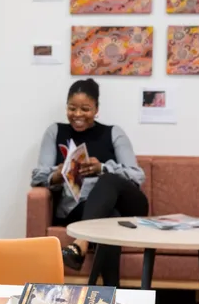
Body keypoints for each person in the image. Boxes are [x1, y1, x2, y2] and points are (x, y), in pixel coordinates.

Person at [31, 78, 149, 284]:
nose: (77, 115)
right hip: (79, 207)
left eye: (85, 109)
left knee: (108, 179)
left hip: (129, 203)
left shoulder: (113, 133)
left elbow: (137, 175)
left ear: (96, 109)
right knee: (110, 219)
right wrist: (58, 174)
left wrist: (101, 168)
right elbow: (37, 176)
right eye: (72, 108)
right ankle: (112, 291)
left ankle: (81, 242)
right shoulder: (55, 132)